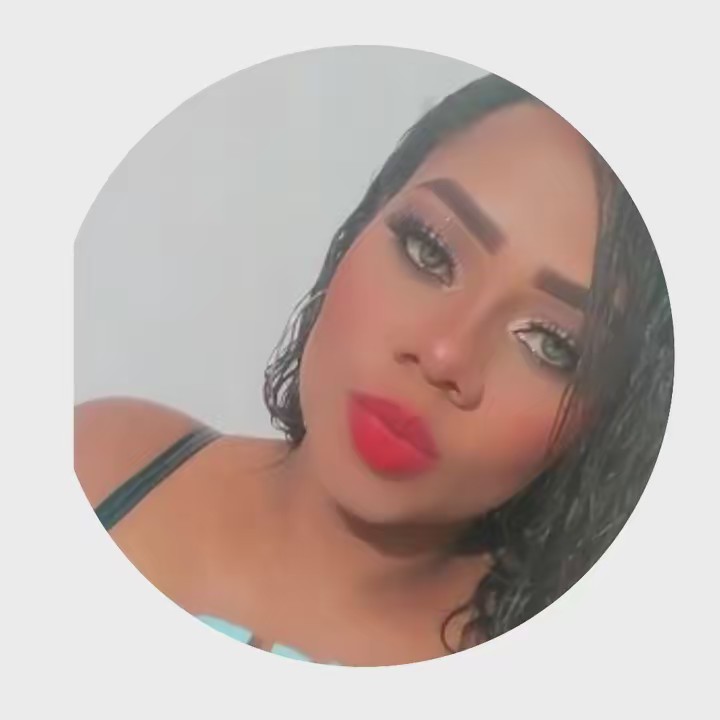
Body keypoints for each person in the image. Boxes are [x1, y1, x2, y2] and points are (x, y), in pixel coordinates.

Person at [74, 73, 673, 666]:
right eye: (428, 250)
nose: (444, 354)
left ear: (607, 419)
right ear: (365, 220)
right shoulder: (103, 464)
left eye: (550, 344)